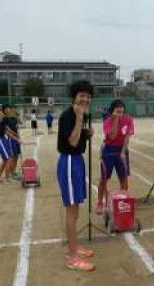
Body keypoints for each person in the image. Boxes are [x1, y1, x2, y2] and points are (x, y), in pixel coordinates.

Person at [57, 80, 96, 271]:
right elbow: (71, 142)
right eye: (82, 95)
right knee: (71, 212)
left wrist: (87, 133)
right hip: (69, 161)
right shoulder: (69, 115)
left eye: (88, 96)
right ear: (74, 96)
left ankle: (74, 247)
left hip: (77, 161)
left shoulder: (80, 115)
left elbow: (78, 139)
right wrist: (80, 119)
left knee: (76, 209)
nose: (85, 99)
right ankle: (72, 257)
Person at [95, 100, 134, 215]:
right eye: (117, 111)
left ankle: (124, 201)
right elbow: (112, 136)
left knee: (123, 177)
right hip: (109, 150)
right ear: (112, 111)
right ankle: (100, 203)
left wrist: (122, 152)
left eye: (122, 112)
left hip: (122, 149)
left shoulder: (129, 120)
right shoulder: (107, 121)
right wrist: (115, 120)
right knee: (104, 178)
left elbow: (127, 137)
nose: (120, 114)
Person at [0, 106, 20, 183]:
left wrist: (16, 138)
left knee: (5, 160)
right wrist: (16, 137)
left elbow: (7, 131)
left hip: (3, 140)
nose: (0, 112)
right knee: (9, 158)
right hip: (0, 141)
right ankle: (7, 178)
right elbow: (4, 132)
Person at [2, 105, 21, 180]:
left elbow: (20, 122)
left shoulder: (14, 118)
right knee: (12, 156)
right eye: (6, 109)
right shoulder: (5, 119)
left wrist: (17, 116)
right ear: (4, 110)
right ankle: (11, 172)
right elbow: (7, 130)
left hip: (16, 138)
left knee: (16, 156)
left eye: (9, 109)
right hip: (11, 139)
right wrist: (15, 135)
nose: (9, 110)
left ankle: (14, 171)